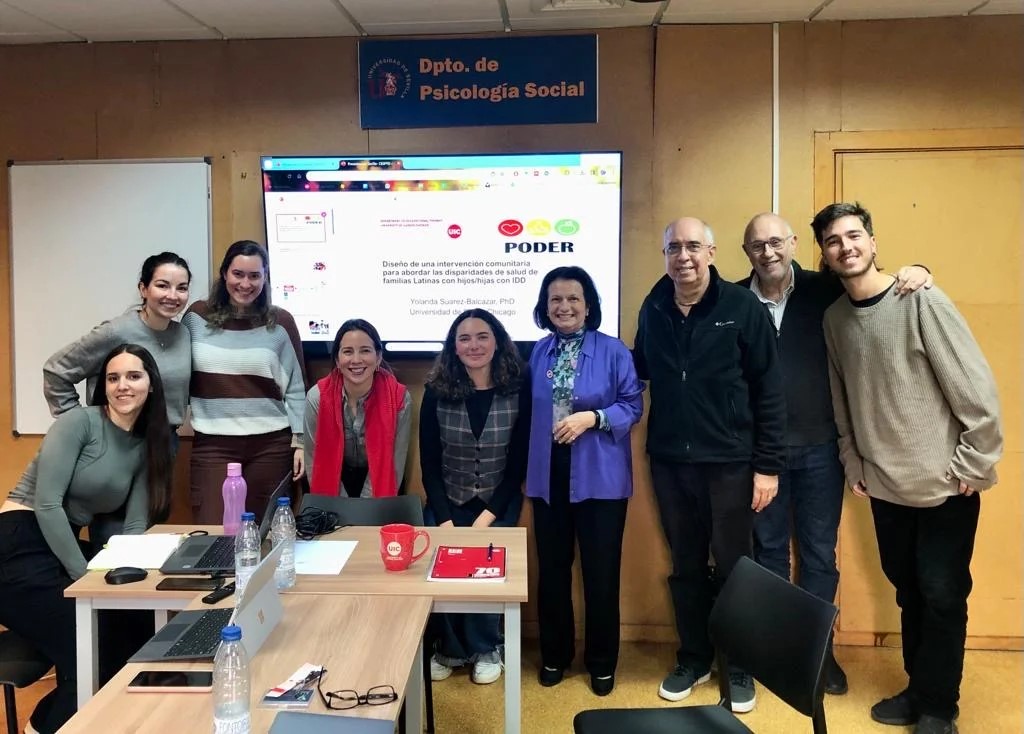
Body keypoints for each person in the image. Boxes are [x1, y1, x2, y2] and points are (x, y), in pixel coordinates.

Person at [816, 202, 1002, 734]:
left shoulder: (920, 298)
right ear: (826, 256)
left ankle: (940, 707)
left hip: (946, 484)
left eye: (854, 236)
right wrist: (853, 458)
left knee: (942, 595)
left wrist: (976, 460)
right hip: (884, 485)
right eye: (833, 241)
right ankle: (920, 688)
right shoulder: (834, 319)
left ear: (873, 243)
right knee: (908, 590)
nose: (846, 247)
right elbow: (841, 399)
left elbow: (976, 388)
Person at [738, 212, 933, 695]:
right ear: (746, 253)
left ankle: (817, 654)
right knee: (767, 554)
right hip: (759, 456)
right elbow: (672, 290)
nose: (769, 252)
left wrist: (921, 269)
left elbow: (875, 284)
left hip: (821, 449)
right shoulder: (733, 301)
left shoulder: (824, 289)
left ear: (794, 244)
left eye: (777, 242)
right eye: (758, 245)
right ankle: (776, 649)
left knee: (820, 555)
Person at [634, 217, 786, 713]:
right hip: (671, 464)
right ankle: (695, 657)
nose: (684, 256)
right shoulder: (654, 307)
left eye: (694, 246)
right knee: (686, 567)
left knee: (736, 568)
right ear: (665, 255)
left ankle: (738, 666)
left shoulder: (742, 308)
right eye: (674, 247)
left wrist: (767, 466)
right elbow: (641, 371)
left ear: (713, 252)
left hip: (731, 463)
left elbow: (770, 390)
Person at [0, 344, 173, 734]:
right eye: (113, 378)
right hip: (16, 543)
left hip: (55, 547)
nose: (122, 386)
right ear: (103, 386)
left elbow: (133, 527)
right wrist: (86, 579)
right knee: (91, 644)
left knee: (136, 627)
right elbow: (46, 506)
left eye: (133, 376)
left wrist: (135, 582)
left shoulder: (148, 444)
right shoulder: (78, 422)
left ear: (152, 384)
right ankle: (44, 727)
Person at [525, 266, 643, 696]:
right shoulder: (539, 352)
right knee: (552, 574)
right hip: (548, 478)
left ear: (588, 304)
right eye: (555, 299)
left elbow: (633, 406)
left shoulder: (614, 352)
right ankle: (555, 655)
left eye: (573, 298)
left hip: (601, 480)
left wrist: (594, 418)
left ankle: (601, 663)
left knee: (600, 575)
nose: (564, 307)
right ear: (545, 306)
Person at [42, 251, 191, 544]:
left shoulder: (183, 334)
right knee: (111, 539)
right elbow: (56, 371)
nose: (172, 295)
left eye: (182, 287)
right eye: (162, 285)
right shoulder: (116, 331)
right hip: (115, 446)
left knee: (139, 535)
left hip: (161, 442)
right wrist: (87, 427)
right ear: (143, 289)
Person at [420, 308, 531, 686]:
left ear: (497, 341)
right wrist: (446, 519)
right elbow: (429, 464)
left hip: (498, 501)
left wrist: (486, 518)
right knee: (442, 568)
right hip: (446, 500)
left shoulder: (518, 387)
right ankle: (449, 649)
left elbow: (517, 465)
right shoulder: (436, 391)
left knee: (487, 567)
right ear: (454, 346)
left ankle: (486, 647)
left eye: (482, 336)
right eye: (464, 338)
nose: (474, 345)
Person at [184, 240, 307, 524]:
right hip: (213, 446)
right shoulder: (197, 317)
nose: (245, 283)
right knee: (215, 536)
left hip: (271, 447)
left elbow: (297, 388)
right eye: (238, 274)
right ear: (225, 273)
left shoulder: (280, 322)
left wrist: (301, 441)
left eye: (255, 276)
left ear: (265, 278)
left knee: (265, 536)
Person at [305, 319, 412, 497]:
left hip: (384, 483)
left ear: (378, 357)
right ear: (337, 361)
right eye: (347, 352)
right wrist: (342, 510)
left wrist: (363, 512)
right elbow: (313, 461)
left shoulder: (399, 399)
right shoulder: (317, 398)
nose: (356, 360)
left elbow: (394, 463)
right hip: (334, 480)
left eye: (365, 351)